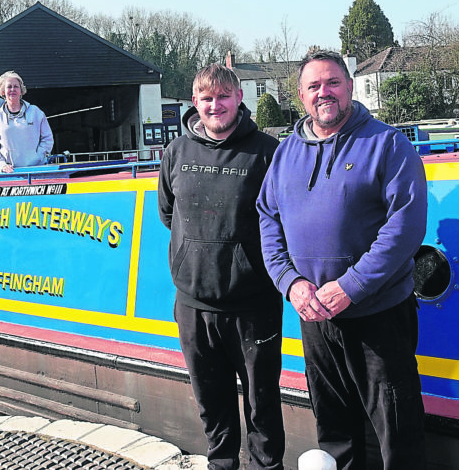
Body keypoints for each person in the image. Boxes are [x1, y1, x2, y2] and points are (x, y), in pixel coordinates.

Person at [257, 50, 428, 470]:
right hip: (314, 316)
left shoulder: (388, 144)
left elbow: (405, 226)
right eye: (313, 86)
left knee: (397, 428)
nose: (324, 93)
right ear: (301, 96)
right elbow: (267, 217)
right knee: (333, 428)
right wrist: (290, 283)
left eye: (332, 82)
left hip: (379, 315)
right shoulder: (285, 154)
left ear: (350, 86)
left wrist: (352, 286)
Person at [158, 63, 285, 470]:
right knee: (211, 402)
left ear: (239, 98)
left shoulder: (267, 151)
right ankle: (222, 464)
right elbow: (168, 213)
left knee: (262, 402)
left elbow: (283, 219)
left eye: (223, 96)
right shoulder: (176, 152)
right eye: (207, 98)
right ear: (195, 102)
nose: (216, 105)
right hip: (194, 305)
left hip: (254, 305)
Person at [0, 71, 54, 172]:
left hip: (36, 170)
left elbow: (47, 138)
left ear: (21, 91)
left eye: (16, 86)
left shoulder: (35, 112)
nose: (12, 90)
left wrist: (38, 157)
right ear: (3, 91)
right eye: (9, 87)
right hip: (11, 174)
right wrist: (2, 165)